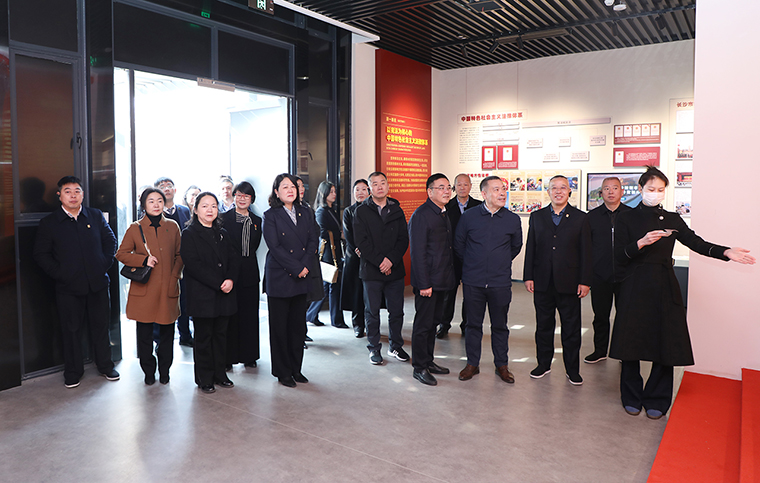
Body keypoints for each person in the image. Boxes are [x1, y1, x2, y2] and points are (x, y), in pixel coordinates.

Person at [611, 166, 755, 419]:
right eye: (651, 189)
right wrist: (641, 243)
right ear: (641, 189)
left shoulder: (672, 219)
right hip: (634, 284)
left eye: (660, 190)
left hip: (664, 284)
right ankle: (631, 395)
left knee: (665, 340)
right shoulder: (625, 218)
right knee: (631, 341)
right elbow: (618, 256)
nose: (655, 193)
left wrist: (726, 252)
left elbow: (697, 243)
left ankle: (657, 398)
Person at [33, 176, 120, 388]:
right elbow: (41, 255)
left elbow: (110, 241)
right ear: (59, 195)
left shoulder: (95, 215)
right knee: (71, 331)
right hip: (68, 287)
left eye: (77, 191)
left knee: (101, 327)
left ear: (83, 194)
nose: (73, 195)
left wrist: (102, 264)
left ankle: (105, 365)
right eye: (68, 191)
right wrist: (61, 274)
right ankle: (73, 371)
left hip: (98, 283)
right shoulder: (50, 223)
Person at [524, 175, 592, 386]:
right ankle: (543, 364)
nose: (558, 191)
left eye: (563, 187)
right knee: (543, 326)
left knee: (571, 328)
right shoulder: (537, 216)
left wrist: (585, 281)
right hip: (542, 281)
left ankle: (572, 370)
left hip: (570, 282)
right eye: (554, 188)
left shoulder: (581, 218)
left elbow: (586, 252)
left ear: (570, 191)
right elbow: (531, 248)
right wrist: (528, 276)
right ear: (548, 191)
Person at [455, 176, 523, 383]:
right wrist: (475, 264)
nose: (502, 193)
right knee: (473, 325)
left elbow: (516, 247)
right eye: (496, 189)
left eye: (503, 189)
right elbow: (459, 245)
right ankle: (472, 364)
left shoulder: (512, 219)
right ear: (484, 194)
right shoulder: (469, 217)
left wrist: (498, 262)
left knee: (500, 325)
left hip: (500, 282)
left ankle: (502, 365)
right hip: (473, 281)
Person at [116, 188, 183, 385]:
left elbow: (180, 255)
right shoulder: (135, 228)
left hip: (168, 288)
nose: (156, 204)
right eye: (151, 201)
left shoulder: (173, 226)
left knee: (167, 333)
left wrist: (174, 276)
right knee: (144, 335)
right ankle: (148, 370)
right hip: (144, 290)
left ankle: (165, 370)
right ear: (144, 205)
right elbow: (121, 254)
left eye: (159, 200)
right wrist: (143, 260)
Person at [263, 173, 319, 387]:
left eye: (293, 186)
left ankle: (296, 369)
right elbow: (275, 247)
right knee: (279, 328)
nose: (290, 190)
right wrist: (297, 268)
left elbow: (313, 240)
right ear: (276, 192)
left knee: (297, 327)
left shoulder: (306, 212)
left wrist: (305, 266)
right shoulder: (270, 215)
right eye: (284, 187)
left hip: (302, 275)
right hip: (280, 276)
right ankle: (282, 372)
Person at [181, 192, 240, 394]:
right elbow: (193, 265)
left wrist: (230, 279)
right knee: (204, 338)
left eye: (213, 206)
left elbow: (234, 259)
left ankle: (220, 374)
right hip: (203, 295)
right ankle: (204, 378)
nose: (210, 210)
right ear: (195, 209)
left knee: (221, 336)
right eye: (205, 206)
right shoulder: (189, 234)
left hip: (224, 293)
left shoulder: (223, 233)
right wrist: (219, 283)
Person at [353, 171, 410, 366]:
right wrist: (381, 262)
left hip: (395, 269)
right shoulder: (361, 211)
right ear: (370, 188)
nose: (379, 186)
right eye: (375, 184)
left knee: (397, 311)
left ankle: (396, 346)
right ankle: (374, 348)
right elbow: (361, 242)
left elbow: (403, 239)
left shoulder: (397, 209)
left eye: (382, 183)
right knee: (372, 312)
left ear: (387, 186)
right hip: (371, 270)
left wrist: (390, 261)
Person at [408, 173, 456, 386]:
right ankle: (419, 367)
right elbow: (418, 253)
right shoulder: (422, 215)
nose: (446, 191)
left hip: (441, 279)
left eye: (448, 187)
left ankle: (428, 361)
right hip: (428, 283)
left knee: (433, 323)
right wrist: (424, 283)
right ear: (430, 192)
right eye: (441, 187)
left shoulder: (442, 212)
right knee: (423, 325)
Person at [584, 177, 632, 363]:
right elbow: (586, 248)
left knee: (625, 316)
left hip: (626, 276)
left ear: (622, 191)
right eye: (606, 188)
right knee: (600, 316)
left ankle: (624, 352)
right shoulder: (591, 217)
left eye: (615, 188)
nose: (611, 192)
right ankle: (600, 351)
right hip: (600, 276)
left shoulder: (632, 215)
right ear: (601, 193)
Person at [221, 181, 263, 370]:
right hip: (229, 272)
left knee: (250, 315)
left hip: (250, 271)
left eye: (246, 195)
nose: (242, 198)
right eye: (239, 195)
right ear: (234, 196)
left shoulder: (257, 221)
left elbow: (255, 246)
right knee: (230, 315)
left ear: (251, 199)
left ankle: (249, 355)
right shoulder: (223, 218)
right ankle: (228, 357)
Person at [438, 173, 482, 339]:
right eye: (459, 184)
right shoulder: (446, 206)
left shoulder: (479, 206)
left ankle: (467, 325)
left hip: (472, 257)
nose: (462, 187)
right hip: (451, 257)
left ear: (470, 186)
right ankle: (444, 325)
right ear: (454, 187)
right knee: (448, 294)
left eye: (465, 184)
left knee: (470, 294)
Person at [155, 177, 194, 347]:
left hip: (183, 264)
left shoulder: (184, 210)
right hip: (162, 266)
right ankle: (159, 339)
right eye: (162, 186)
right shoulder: (154, 211)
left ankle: (185, 335)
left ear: (175, 190)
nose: (166, 188)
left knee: (184, 301)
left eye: (169, 186)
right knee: (162, 302)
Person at [306, 181, 349, 329]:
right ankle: (335, 320)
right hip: (328, 253)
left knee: (328, 285)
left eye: (335, 191)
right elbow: (322, 233)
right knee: (332, 285)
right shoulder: (321, 211)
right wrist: (339, 234)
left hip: (334, 250)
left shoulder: (331, 210)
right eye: (331, 192)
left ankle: (312, 315)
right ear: (324, 193)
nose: (334, 194)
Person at [341, 179, 370, 338]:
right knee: (357, 292)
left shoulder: (373, 209)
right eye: (357, 190)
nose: (360, 192)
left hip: (371, 257)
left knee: (371, 293)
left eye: (363, 189)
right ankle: (358, 324)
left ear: (369, 192)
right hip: (355, 257)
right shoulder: (349, 211)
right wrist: (360, 250)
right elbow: (348, 235)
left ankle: (371, 323)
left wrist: (368, 251)